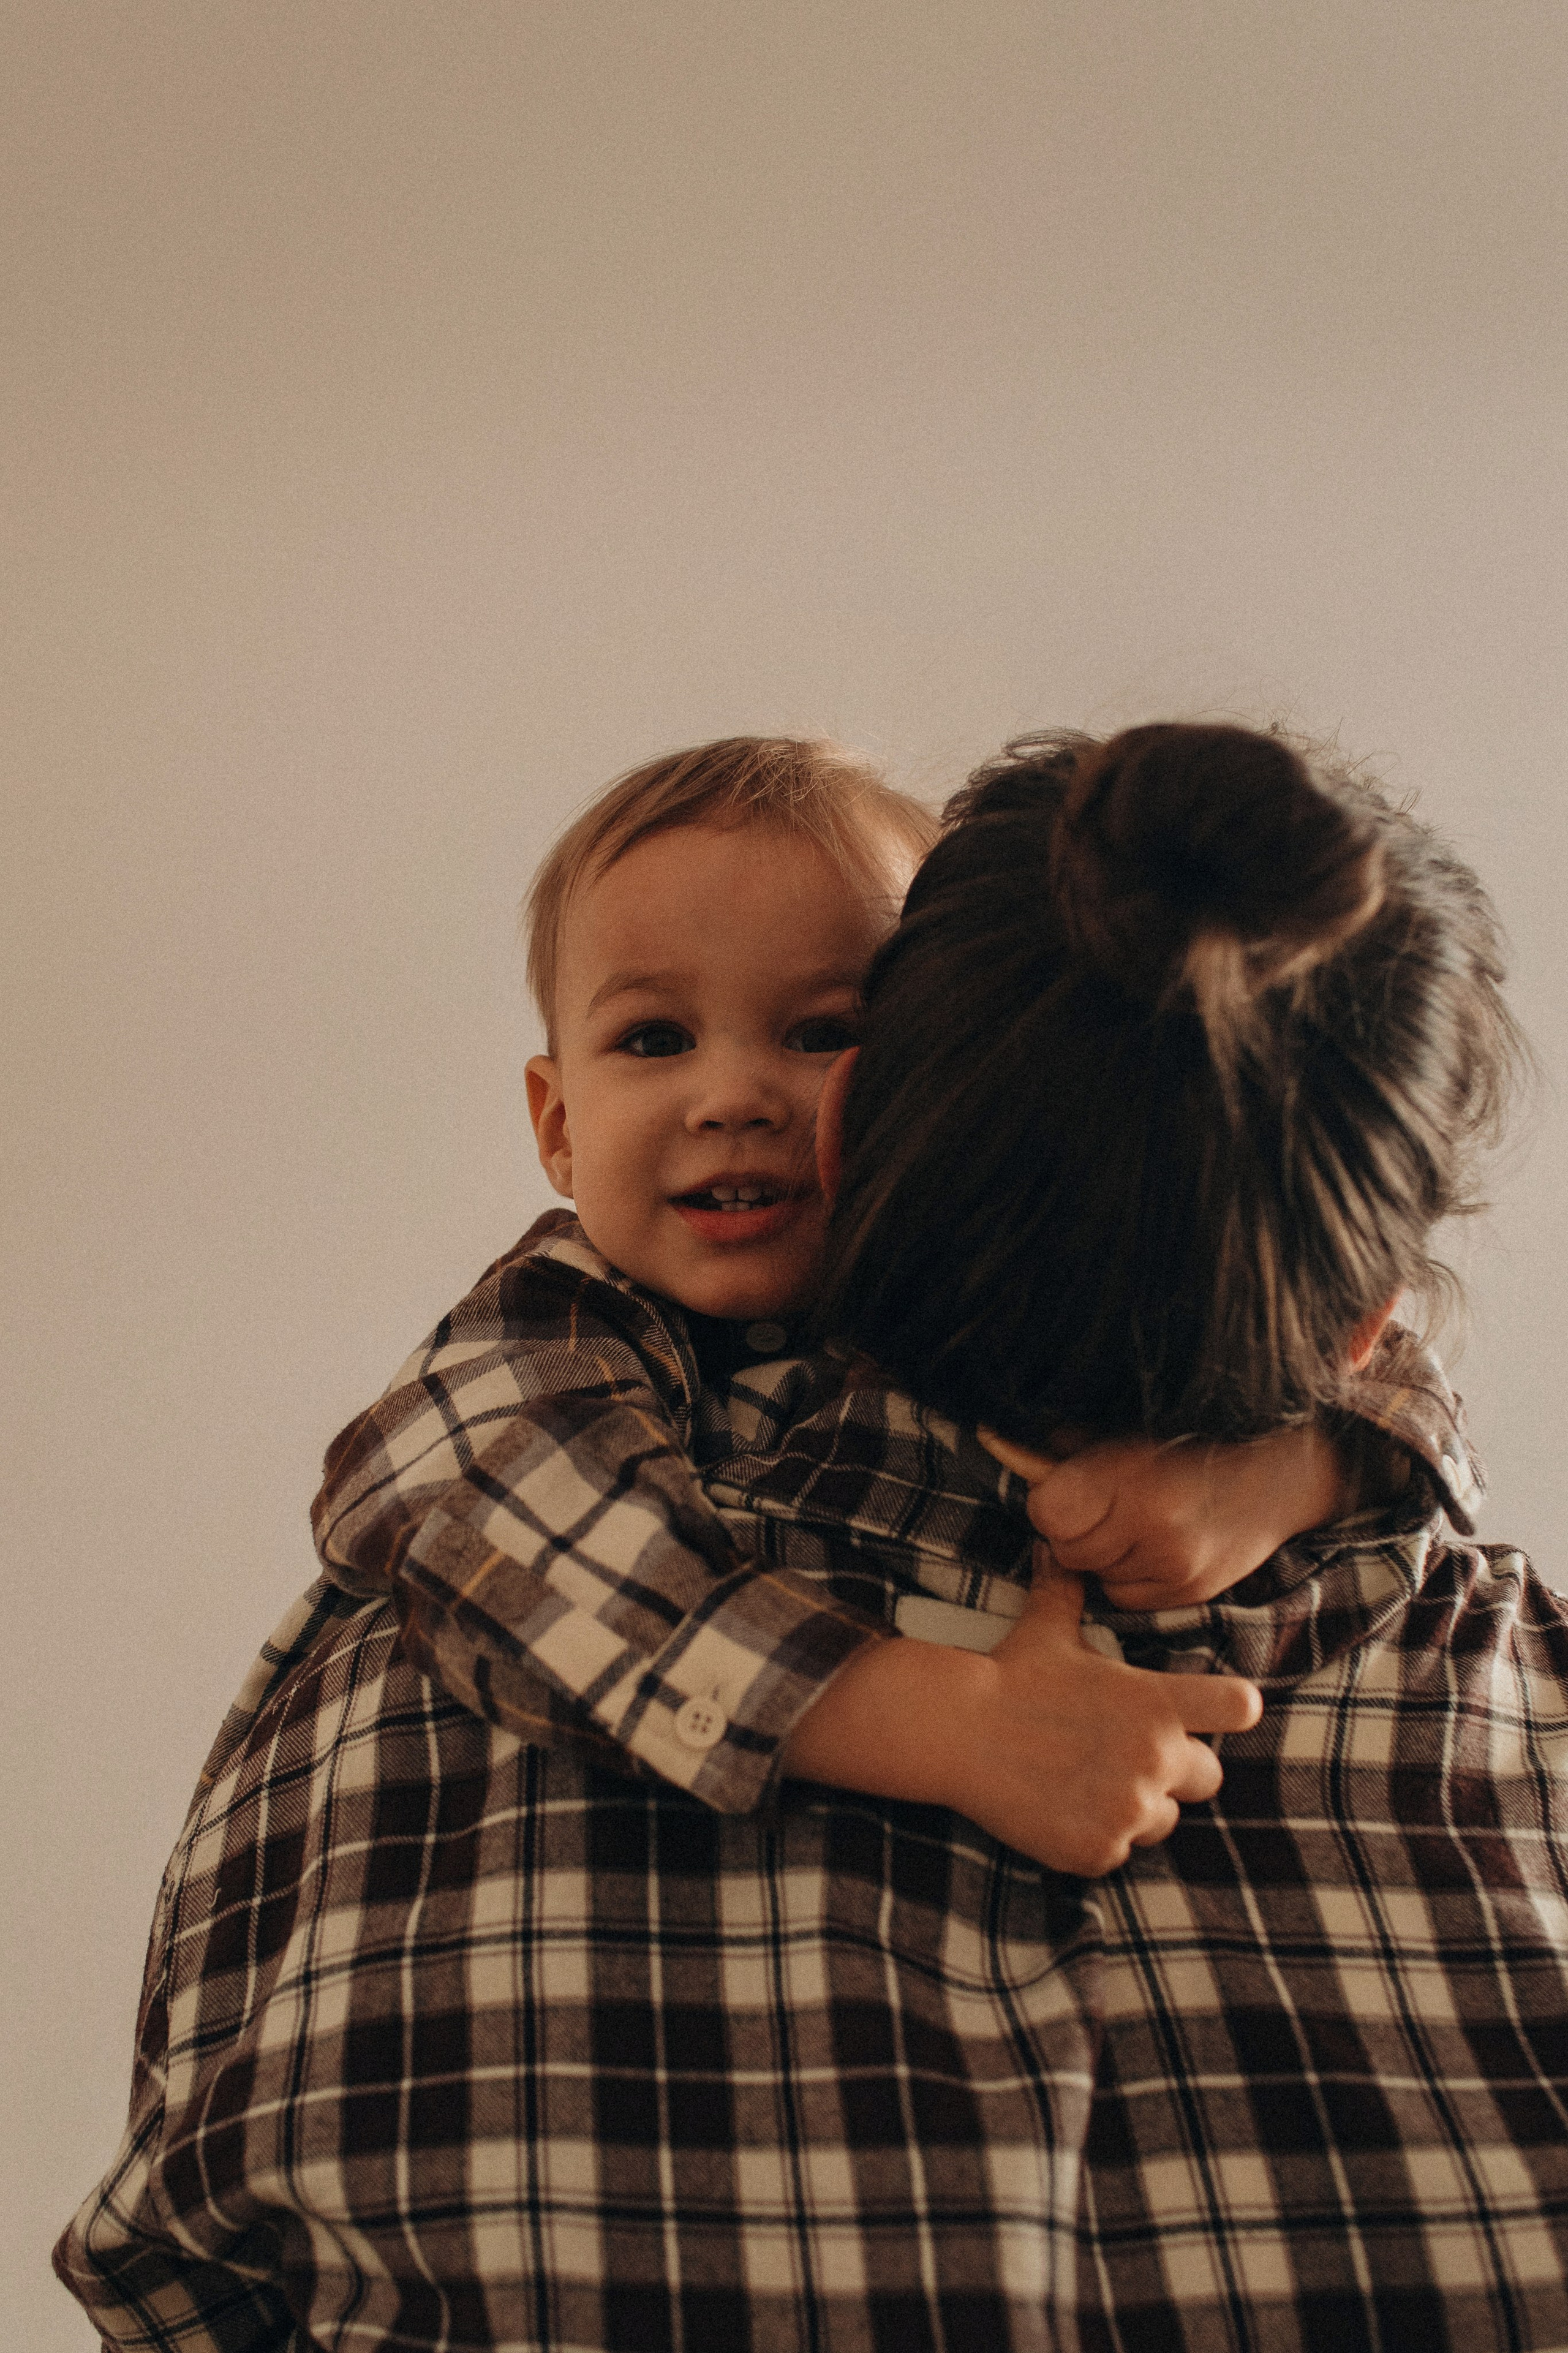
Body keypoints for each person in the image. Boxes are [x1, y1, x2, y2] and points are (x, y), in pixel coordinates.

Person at [58, 724, 1560, 2353]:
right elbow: (445, 1467)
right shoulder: (572, 1347)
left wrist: (1300, 1463)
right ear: (554, 1124)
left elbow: (1389, 1365)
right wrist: (933, 1716)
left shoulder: (1329, 1483)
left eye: (820, 1031)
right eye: (652, 1037)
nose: (733, 1097)